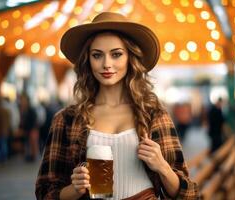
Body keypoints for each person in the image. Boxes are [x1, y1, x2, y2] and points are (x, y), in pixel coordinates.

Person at [35, 12, 199, 200]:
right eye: (97, 55)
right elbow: (44, 192)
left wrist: (162, 166)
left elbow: (189, 194)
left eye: (116, 54)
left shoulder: (153, 115)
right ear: (87, 60)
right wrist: (74, 189)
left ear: (130, 57)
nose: (107, 64)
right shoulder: (66, 120)